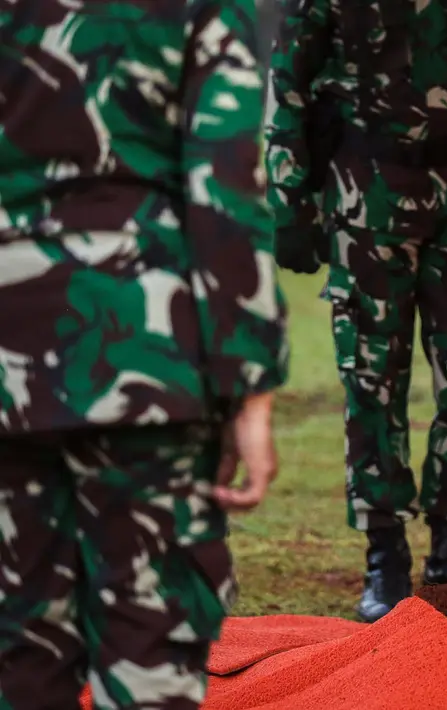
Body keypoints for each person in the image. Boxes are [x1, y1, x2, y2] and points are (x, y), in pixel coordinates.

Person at [0, 0, 287, 707]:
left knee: (19, 647)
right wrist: (247, 387)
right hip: (146, 356)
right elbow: (225, 180)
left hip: (8, 356)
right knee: (149, 645)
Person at [265, 0, 447, 621]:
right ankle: (383, 551)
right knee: (370, 377)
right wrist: (290, 206)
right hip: (367, 191)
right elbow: (291, 87)